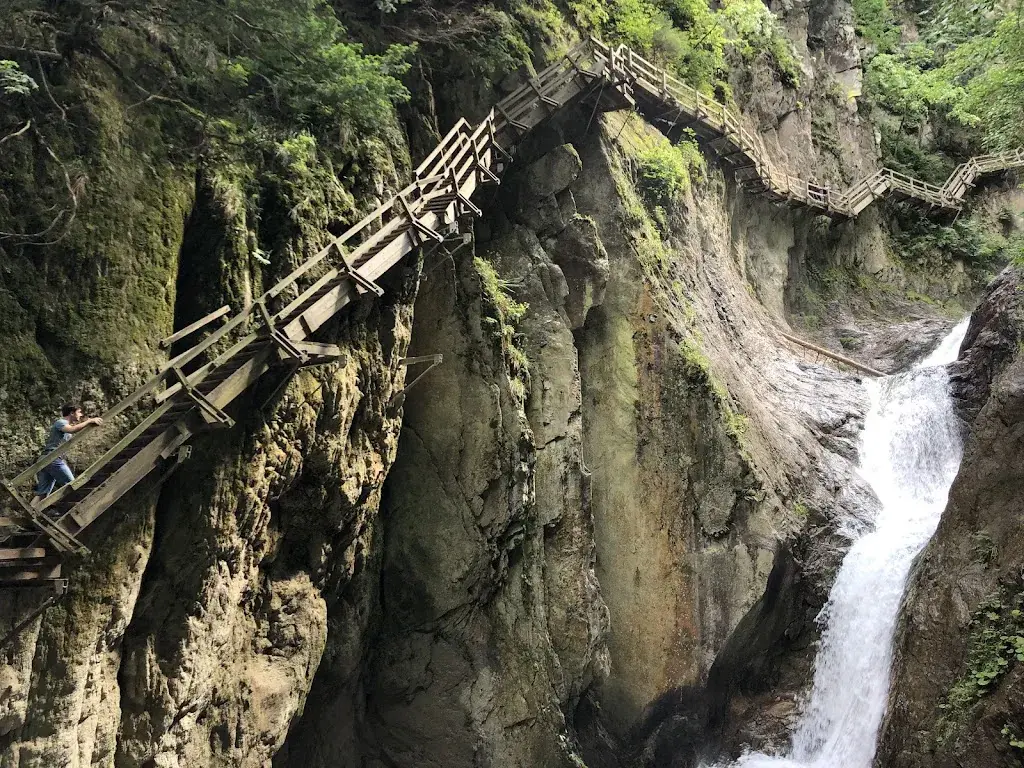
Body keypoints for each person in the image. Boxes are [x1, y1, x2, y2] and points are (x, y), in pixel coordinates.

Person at [30, 404, 103, 507]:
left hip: (47, 459)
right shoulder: (61, 422)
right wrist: (89, 421)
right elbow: (72, 429)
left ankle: (26, 517)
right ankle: (60, 508)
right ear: (72, 413)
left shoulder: (65, 425)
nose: (81, 415)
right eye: (79, 412)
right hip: (52, 459)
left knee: (42, 493)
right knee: (73, 484)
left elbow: (73, 430)